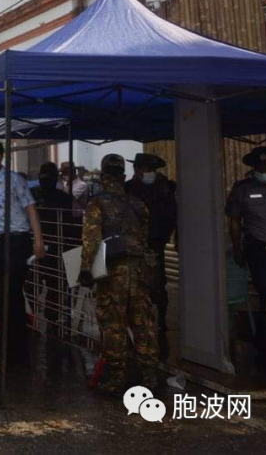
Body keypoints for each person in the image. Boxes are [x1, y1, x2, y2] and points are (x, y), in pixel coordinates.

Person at [79, 154, 159, 395]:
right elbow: (145, 238)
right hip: (140, 269)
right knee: (142, 321)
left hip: (113, 270)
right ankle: (149, 375)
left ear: (103, 177)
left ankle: (116, 378)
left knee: (113, 322)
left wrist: (85, 269)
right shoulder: (138, 203)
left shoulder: (96, 203)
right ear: (123, 176)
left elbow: (91, 239)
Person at [0, 138, 45, 372]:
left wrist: (38, 241)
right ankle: (14, 353)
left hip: (17, 242)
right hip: (0, 240)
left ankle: (12, 354)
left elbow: (30, 209)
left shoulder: (14, 180)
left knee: (9, 297)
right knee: (9, 298)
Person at [227, 146, 266, 373]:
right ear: (254, 167)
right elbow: (234, 220)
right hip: (260, 251)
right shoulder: (242, 189)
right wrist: (237, 248)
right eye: (261, 166)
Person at [124, 152, 178, 357]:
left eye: (150, 169)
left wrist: (163, 238)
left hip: (156, 244)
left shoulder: (165, 189)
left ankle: (160, 321)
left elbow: (172, 216)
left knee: (158, 284)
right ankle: (139, 323)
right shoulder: (129, 189)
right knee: (135, 286)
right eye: (144, 169)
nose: (147, 173)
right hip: (133, 246)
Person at [32, 162, 80, 339]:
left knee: (53, 284)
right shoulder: (61, 196)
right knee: (50, 284)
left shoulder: (61, 197)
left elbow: (74, 222)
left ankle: (51, 317)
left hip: (55, 247)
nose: (45, 181)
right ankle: (51, 317)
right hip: (46, 246)